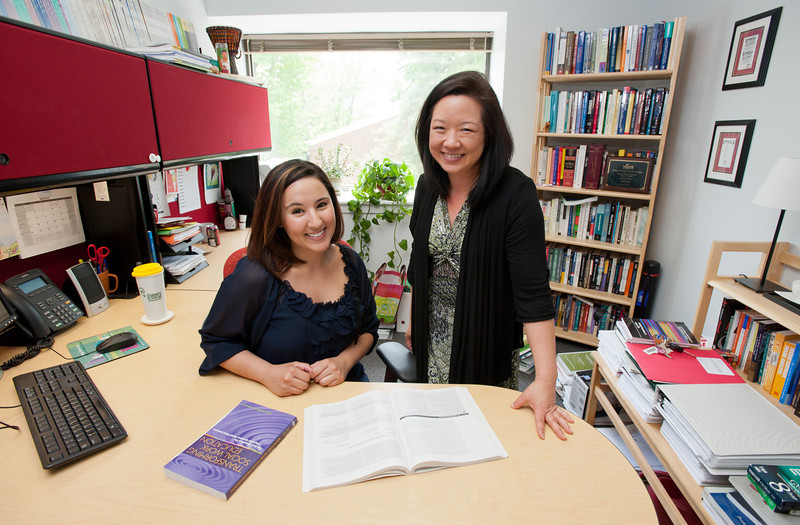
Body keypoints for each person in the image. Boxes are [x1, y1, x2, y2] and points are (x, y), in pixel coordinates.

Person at [406, 71, 574, 440]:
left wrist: (546, 380)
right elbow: (421, 262)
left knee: (480, 437)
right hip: (430, 337)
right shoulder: (426, 187)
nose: (451, 142)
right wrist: (412, 323)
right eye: (440, 129)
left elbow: (533, 296)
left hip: (484, 340)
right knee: (431, 436)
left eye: (466, 130)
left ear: (489, 135)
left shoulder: (516, 194)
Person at [199, 159, 379, 396]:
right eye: (297, 211)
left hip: (346, 388)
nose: (315, 221)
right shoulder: (255, 275)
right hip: (280, 398)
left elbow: (368, 330)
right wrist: (266, 373)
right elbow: (218, 341)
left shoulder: (351, 262)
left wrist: (344, 362)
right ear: (278, 219)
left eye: (322, 205)